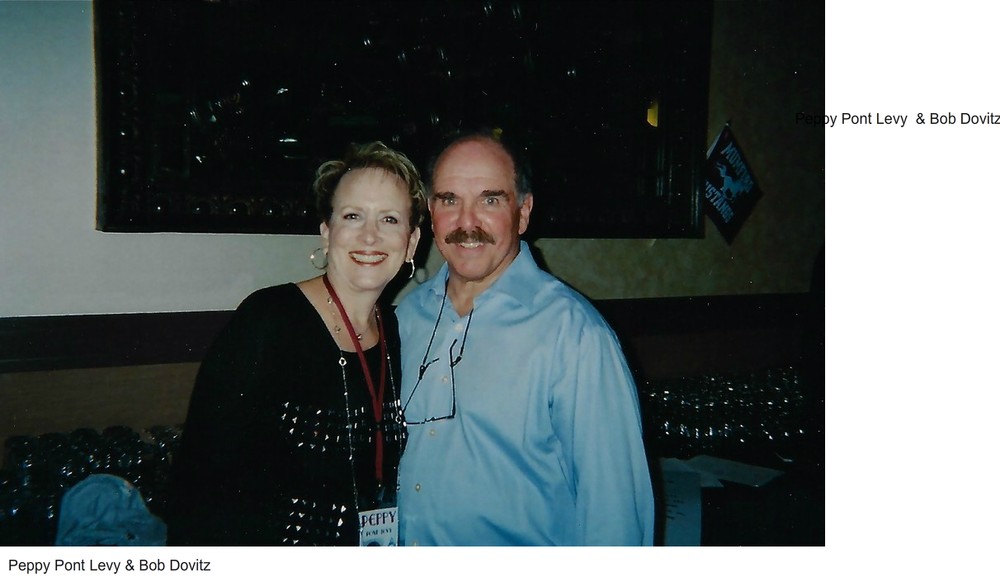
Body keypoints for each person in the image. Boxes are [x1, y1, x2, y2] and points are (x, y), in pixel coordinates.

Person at [395, 130, 655, 545]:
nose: (466, 223)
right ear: (430, 210)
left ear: (523, 213)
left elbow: (615, 514)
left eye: (490, 200)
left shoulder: (575, 334)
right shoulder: (406, 319)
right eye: (449, 200)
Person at [167, 141, 424, 545]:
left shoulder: (401, 330)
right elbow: (200, 487)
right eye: (352, 216)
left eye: (389, 219)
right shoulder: (269, 321)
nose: (370, 235)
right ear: (327, 233)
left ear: (411, 242)